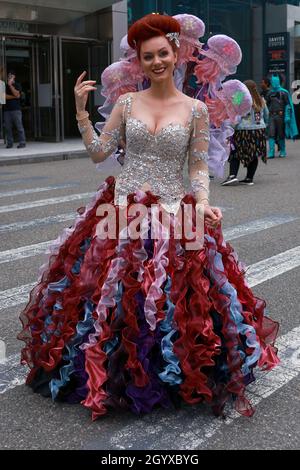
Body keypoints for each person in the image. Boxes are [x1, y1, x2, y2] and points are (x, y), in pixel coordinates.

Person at [18, 13, 279, 421]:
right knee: (111, 294)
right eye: (147, 56)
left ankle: (169, 373)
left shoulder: (196, 109)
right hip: (122, 207)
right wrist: (81, 112)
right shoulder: (125, 103)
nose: (157, 62)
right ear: (137, 62)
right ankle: (114, 370)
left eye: (163, 53)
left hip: (178, 209)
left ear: (176, 54)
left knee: (183, 297)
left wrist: (205, 200)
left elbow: (196, 167)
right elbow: (100, 154)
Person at [222, 80, 269, 186]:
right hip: (258, 130)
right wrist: (263, 125)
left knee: (235, 153)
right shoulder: (260, 99)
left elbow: (233, 112)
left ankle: (232, 176)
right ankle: (249, 178)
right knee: (253, 154)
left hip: (242, 130)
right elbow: (266, 114)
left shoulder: (240, 96)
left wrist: (230, 128)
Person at [266, 75, 298, 158]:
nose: (274, 83)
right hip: (272, 116)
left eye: (275, 81)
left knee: (281, 134)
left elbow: (288, 105)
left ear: (279, 81)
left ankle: (283, 150)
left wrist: (287, 116)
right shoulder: (269, 93)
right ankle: (271, 152)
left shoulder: (284, 92)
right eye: (273, 81)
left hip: (281, 115)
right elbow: (266, 105)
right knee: (271, 134)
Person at [3, 70, 26, 148]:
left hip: (16, 109)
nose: (9, 77)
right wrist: (14, 96)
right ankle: (10, 143)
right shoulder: (4, 86)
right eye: (8, 75)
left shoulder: (17, 85)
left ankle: (22, 142)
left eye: (11, 75)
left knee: (19, 126)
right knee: (8, 128)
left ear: (14, 77)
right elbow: (3, 96)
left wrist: (10, 86)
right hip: (6, 110)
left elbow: (17, 94)